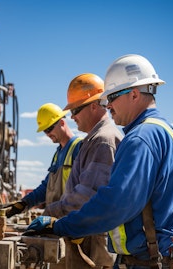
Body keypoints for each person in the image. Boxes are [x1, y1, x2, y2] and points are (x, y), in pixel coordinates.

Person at [27, 54, 173, 269]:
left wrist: (62, 225)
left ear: (134, 94)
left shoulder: (140, 138)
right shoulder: (169, 132)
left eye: (112, 98)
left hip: (152, 261)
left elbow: (116, 204)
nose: (107, 105)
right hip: (167, 256)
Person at [44, 73, 123, 268]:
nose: (72, 117)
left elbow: (88, 195)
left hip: (96, 238)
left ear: (94, 106)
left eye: (76, 110)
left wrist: (51, 213)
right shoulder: (94, 139)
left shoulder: (103, 140)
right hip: (86, 232)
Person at [6, 103, 82, 218]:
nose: (48, 134)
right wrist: (25, 203)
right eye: (45, 131)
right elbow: (47, 187)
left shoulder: (79, 147)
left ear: (62, 122)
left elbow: (85, 191)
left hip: (71, 221)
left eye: (50, 128)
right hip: (57, 220)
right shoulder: (58, 154)